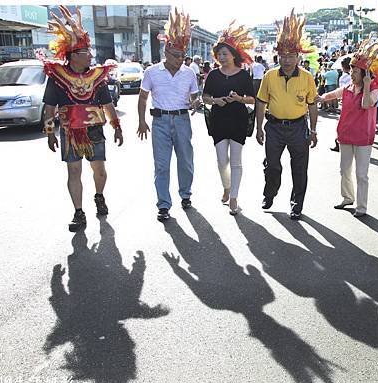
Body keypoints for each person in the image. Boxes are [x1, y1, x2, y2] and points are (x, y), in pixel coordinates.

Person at [40, 6, 123, 232]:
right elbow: (49, 108)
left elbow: (107, 105)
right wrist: (49, 132)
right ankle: (78, 212)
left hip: (95, 130)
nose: (90, 55)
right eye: (86, 51)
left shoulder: (98, 77)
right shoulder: (56, 77)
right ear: (73, 56)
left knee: (99, 171)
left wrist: (117, 127)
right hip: (69, 132)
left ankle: (99, 196)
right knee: (74, 171)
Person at [137, 8, 201, 222]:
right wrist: (141, 121)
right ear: (166, 52)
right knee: (161, 164)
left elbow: (195, 96)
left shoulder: (189, 73)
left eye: (183, 55)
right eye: (176, 55)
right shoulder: (151, 72)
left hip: (182, 120)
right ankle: (163, 205)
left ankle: (186, 195)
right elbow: (143, 97)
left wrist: (195, 102)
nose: (180, 59)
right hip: (160, 122)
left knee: (186, 162)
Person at [255, 9, 319, 221]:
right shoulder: (269, 76)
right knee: (272, 165)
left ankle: (296, 205)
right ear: (278, 56)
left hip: (298, 128)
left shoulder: (308, 77)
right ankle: (270, 193)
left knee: (299, 168)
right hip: (273, 127)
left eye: (291, 56)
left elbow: (312, 106)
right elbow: (261, 102)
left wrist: (314, 131)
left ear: (298, 57)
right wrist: (258, 129)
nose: (287, 59)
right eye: (283, 56)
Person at [317, 40, 378, 217]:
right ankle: (347, 197)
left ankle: (361, 207)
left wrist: (366, 85)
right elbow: (332, 94)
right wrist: (319, 98)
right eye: (351, 70)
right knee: (344, 170)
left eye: (355, 70)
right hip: (345, 135)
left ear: (365, 73)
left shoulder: (375, 89)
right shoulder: (348, 87)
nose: (352, 73)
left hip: (363, 137)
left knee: (361, 174)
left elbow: (366, 105)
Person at [202, 22, 255, 215]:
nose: (222, 57)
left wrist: (239, 99)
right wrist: (216, 101)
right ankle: (226, 186)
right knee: (221, 160)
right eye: (219, 54)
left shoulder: (243, 75)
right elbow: (205, 97)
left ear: (234, 55)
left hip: (238, 120)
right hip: (219, 121)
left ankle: (234, 197)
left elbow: (251, 98)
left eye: (225, 53)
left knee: (236, 161)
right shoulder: (213, 75)